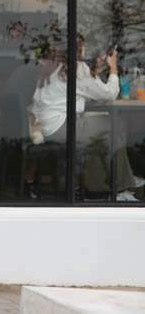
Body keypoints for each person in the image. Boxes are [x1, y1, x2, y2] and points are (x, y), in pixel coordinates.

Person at [31, 35, 141, 200]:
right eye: (82, 47)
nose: (84, 50)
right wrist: (113, 69)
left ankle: (100, 186)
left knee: (101, 135)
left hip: (44, 127)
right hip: (62, 127)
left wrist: (96, 69)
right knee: (114, 124)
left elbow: (78, 85)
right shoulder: (77, 68)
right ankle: (121, 187)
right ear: (78, 49)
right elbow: (109, 94)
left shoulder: (52, 67)